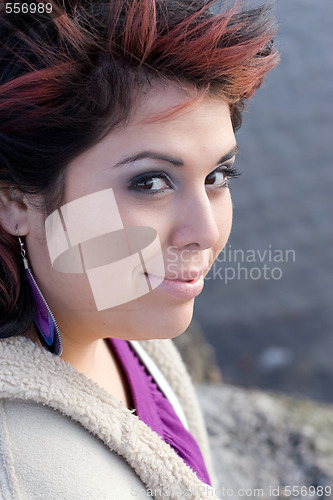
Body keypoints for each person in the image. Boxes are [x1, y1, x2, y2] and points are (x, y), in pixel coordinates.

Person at [0, 0, 278, 498]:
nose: (205, 231)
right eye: (150, 182)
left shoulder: (112, 317)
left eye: (217, 176)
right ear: (14, 200)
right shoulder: (29, 474)